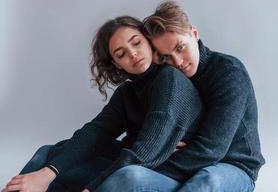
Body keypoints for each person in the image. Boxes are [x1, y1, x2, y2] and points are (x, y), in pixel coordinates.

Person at [2, 16, 203, 192]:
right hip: (135, 162)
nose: (132, 54)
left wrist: (92, 187)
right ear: (117, 63)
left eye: (136, 43)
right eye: (121, 54)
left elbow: (147, 148)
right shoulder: (128, 92)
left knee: (124, 177)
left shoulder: (170, 79)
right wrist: (47, 173)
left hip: (167, 171)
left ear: (149, 41)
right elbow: (96, 132)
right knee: (47, 154)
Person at [100, 1, 265, 192]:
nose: (177, 62)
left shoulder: (228, 72)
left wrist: (157, 160)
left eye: (180, 48)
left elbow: (211, 149)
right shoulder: (167, 79)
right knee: (129, 176)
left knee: (207, 181)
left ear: (194, 34)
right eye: (165, 57)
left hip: (232, 167)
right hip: (184, 170)